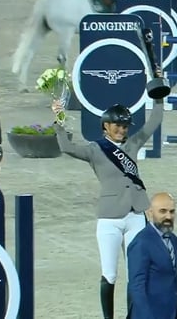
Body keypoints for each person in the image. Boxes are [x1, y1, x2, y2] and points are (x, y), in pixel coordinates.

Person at [52, 98, 164, 319]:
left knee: (136, 274)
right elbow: (66, 147)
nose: (122, 130)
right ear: (106, 126)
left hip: (136, 215)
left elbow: (154, 121)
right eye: (117, 126)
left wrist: (158, 97)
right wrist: (59, 119)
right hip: (110, 217)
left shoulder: (133, 144)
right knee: (109, 273)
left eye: (124, 126)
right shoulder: (95, 150)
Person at [127, 192, 177, 319]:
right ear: (150, 213)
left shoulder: (173, 240)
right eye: (163, 211)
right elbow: (136, 286)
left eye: (172, 212)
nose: (168, 216)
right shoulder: (141, 243)